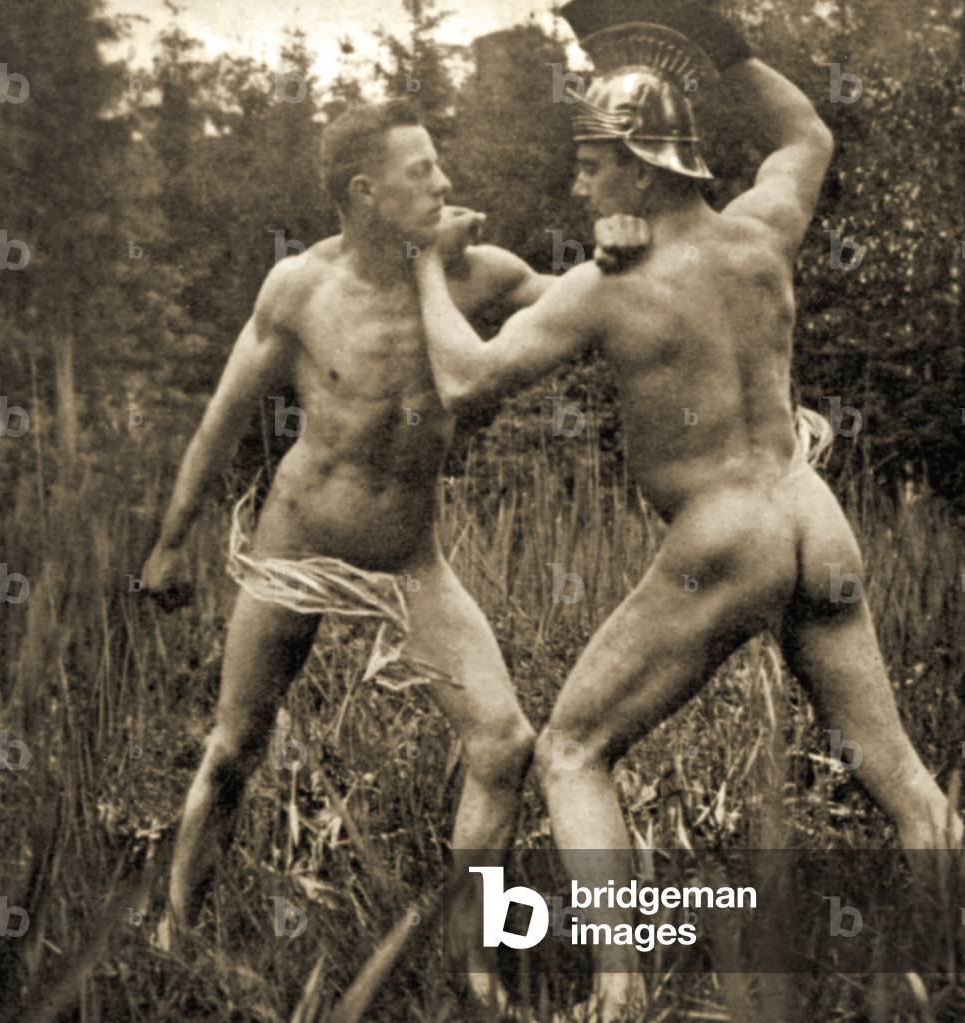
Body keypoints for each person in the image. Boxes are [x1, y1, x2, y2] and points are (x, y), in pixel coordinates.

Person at [414, 15, 963, 1019]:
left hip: (725, 535)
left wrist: (421, 261)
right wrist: (726, 48)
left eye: (592, 165)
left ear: (638, 165)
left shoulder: (605, 289)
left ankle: (620, 993)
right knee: (903, 780)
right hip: (813, 517)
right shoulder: (762, 229)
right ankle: (950, 970)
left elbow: (464, 378)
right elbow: (806, 136)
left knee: (570, 750)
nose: (580, 184)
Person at [141, 100, 645, 1001]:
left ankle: (471, 964)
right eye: (422, 171)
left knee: (503, 742)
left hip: (409, 563)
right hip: (295, 545)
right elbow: (223, 420)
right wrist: (172, 542)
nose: (446, 183)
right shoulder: (299, 287)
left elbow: (595, 301)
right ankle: (173, 932)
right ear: (365, 192)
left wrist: (626, 242)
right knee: (235, 744)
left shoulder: (480, 275)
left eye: (440, 164)